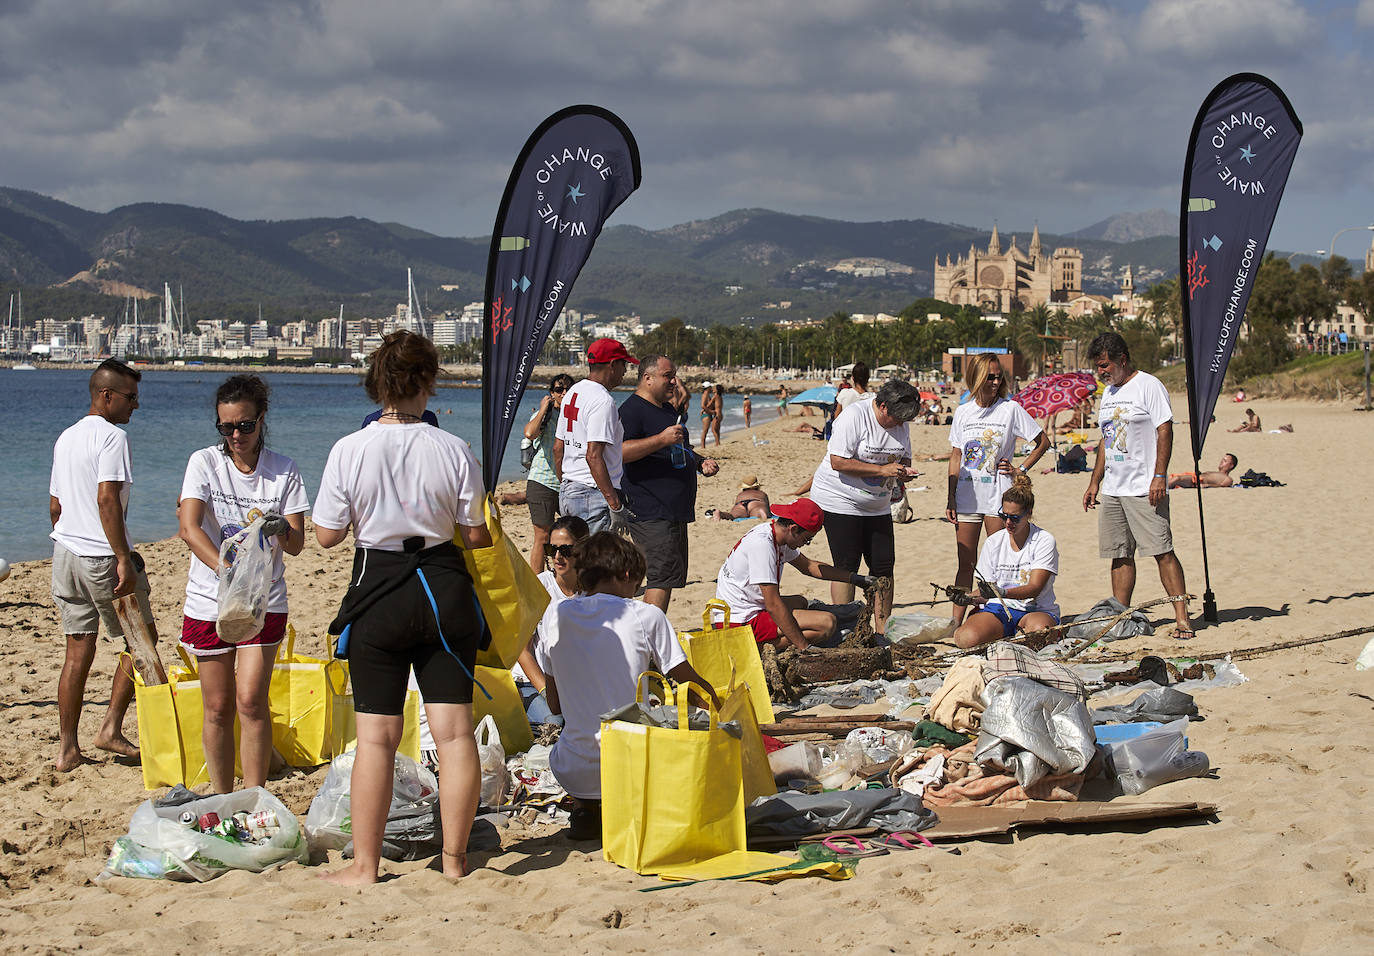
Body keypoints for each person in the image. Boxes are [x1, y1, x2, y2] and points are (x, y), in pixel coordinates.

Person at [313, 330, 491, 884]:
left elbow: (326, 536)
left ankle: (365, 865)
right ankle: (455, 862)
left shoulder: (350, 448)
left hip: (379, 586)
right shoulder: (454, 448)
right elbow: (477, 534)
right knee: (455, 733)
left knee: (376, 738)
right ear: (428, 382)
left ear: (377, 384)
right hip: (442, 585)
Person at [177, 374, 309, 794]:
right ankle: (221, 797)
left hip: (262, 602)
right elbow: (189, 527)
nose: (236, 435)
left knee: (251, 701)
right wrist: (227, 570)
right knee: (217, 706)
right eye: (226, 427)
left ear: (261, 419)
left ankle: (254, 799)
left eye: (244, 426)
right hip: (209, 600)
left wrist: (280, 530)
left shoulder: (283, 470)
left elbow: (298, 545)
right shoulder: (204, 463)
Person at [543, 532, 716, 841]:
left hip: (571, 769)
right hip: (629, 766)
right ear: (626, 575)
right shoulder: (644, 615)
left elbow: (555, 706)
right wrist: (718, 705)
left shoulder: (556, 614)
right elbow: (691, 684)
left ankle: (586, 807)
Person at [48, 359, 157, 772]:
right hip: (99, 557)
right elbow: (107, 499)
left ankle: (67, 750)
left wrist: (70, 537)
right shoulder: (112, 438)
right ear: (106, 396)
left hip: (65, 555)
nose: (136, 405)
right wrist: (122, 557)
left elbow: (56, 506)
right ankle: (111, 728)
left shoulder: (66, 437)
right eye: (130, 397)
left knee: (78, 651)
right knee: (142, 641)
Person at [1082, 331, 1194, 639]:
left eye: (1105, 365)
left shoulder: (1149, 386)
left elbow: (1165, 431)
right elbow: (1106, 439)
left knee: (1161, 550)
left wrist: (1159, 476)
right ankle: (1121, 615)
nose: (1101, 372)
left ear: (1122, 359)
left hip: (1144, 487)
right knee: (1119, 554)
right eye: (1097, 367)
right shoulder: (1108, 394)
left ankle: (1182, 617)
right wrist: (1095, 481)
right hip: (1114, 489)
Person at [808, 380, 922, 638]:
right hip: (839, 498)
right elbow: (838, 461)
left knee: (884, 565)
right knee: (847, 566)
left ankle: (883, 630)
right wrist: (882, 470)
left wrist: (904, 471)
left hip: (877, 504)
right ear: (882, 406)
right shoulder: (854, 417)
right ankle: (845, 628)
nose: (899, 424)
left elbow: (903, 456)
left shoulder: (901, 423)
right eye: (895, 418)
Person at [945, 353, 1050, 625]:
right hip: (967, 498)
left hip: (997, 498)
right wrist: (950, 496)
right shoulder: (963, 412)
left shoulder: (1010, 409)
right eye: (989, 376)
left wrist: (1020, 469)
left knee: (998, 561)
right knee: (966, 564)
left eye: (998, 376)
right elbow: (956, 456)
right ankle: (956, 620)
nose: (995, 381)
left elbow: (1042, 442)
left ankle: (997, 614)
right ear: (976, 378)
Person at [619, 355, 719, 611]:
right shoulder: (631, 410)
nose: (674, 381)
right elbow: (619, 452)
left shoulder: (666, 409)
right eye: (668, 376)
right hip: (650, 507)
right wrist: (660, 440)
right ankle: (649, 643)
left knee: (665, 577)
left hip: (673, 509)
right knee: (660, 578)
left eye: (674, 375)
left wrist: (698, 462)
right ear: (647, 378)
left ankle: (642, 636)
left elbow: (677, 448)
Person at [715, 498, 875, 649]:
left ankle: (774, 642)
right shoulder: (762, 546)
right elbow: (773, 605)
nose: (805, 544)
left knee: (800, 602)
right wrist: (804, 647)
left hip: (744, 608)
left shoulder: (775, 534)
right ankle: (751, 648)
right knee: (826, 624)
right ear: (793, 529)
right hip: (736, 621)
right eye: (806, 539)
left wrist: (854, 578)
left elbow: (809, 566)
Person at [953, 473, 1059, 649]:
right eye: (1004, 516)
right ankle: (1006, 633)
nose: (1008, 522)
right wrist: (967, 598)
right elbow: (986, 591)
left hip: (1034, 610)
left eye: (1015, 518)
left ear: (1029, 513)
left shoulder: (1044, 540)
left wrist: (1002, 592)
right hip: (999, 609)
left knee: (1040, 634)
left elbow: (1035, 588)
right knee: (966, 638)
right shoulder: (994, 541)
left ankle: (1013, 635)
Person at [514, 514, 590, 726]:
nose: (557, 557)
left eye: (565, 550)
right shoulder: (539, 588)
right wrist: (548, 692)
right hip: (534, 682)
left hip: (576, 682)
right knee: (558, 721)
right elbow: (522, 652)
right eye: (551, 549)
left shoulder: (593, 591)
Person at [555, 339, 636, 534]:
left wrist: (566, 483)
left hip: (569, 490)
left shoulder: (573, 393)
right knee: (596, 561)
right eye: (624, 364)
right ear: (612, 364)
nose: (625, 371)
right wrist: (615, 505)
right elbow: (593, 455)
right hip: (592, 494)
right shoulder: (603, 401)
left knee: (577, 559)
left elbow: (559, 448)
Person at [523, 374, 575, 572]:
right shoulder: (544, 416)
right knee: (542, 536)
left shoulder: (575, 416)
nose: (563, 393)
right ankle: (536, 583)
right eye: (558, 390)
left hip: (569, 483)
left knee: (572, 534)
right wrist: (544, 407)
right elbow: (529, 433)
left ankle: (567, 576)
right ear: (551, 393)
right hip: (542, 481)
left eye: (567, 389)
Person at [1169, 453, 1238, 489]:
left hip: (1197, 481)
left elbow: (1221, 486)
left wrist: (1207, 485)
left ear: (1231, 465)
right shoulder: (1216, 473)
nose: (1221, 462)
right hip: (1194, 477)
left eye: (1225, 461)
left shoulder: (1227, 478)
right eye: (1222, 459)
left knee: (1177, 478)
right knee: (1171, 477)